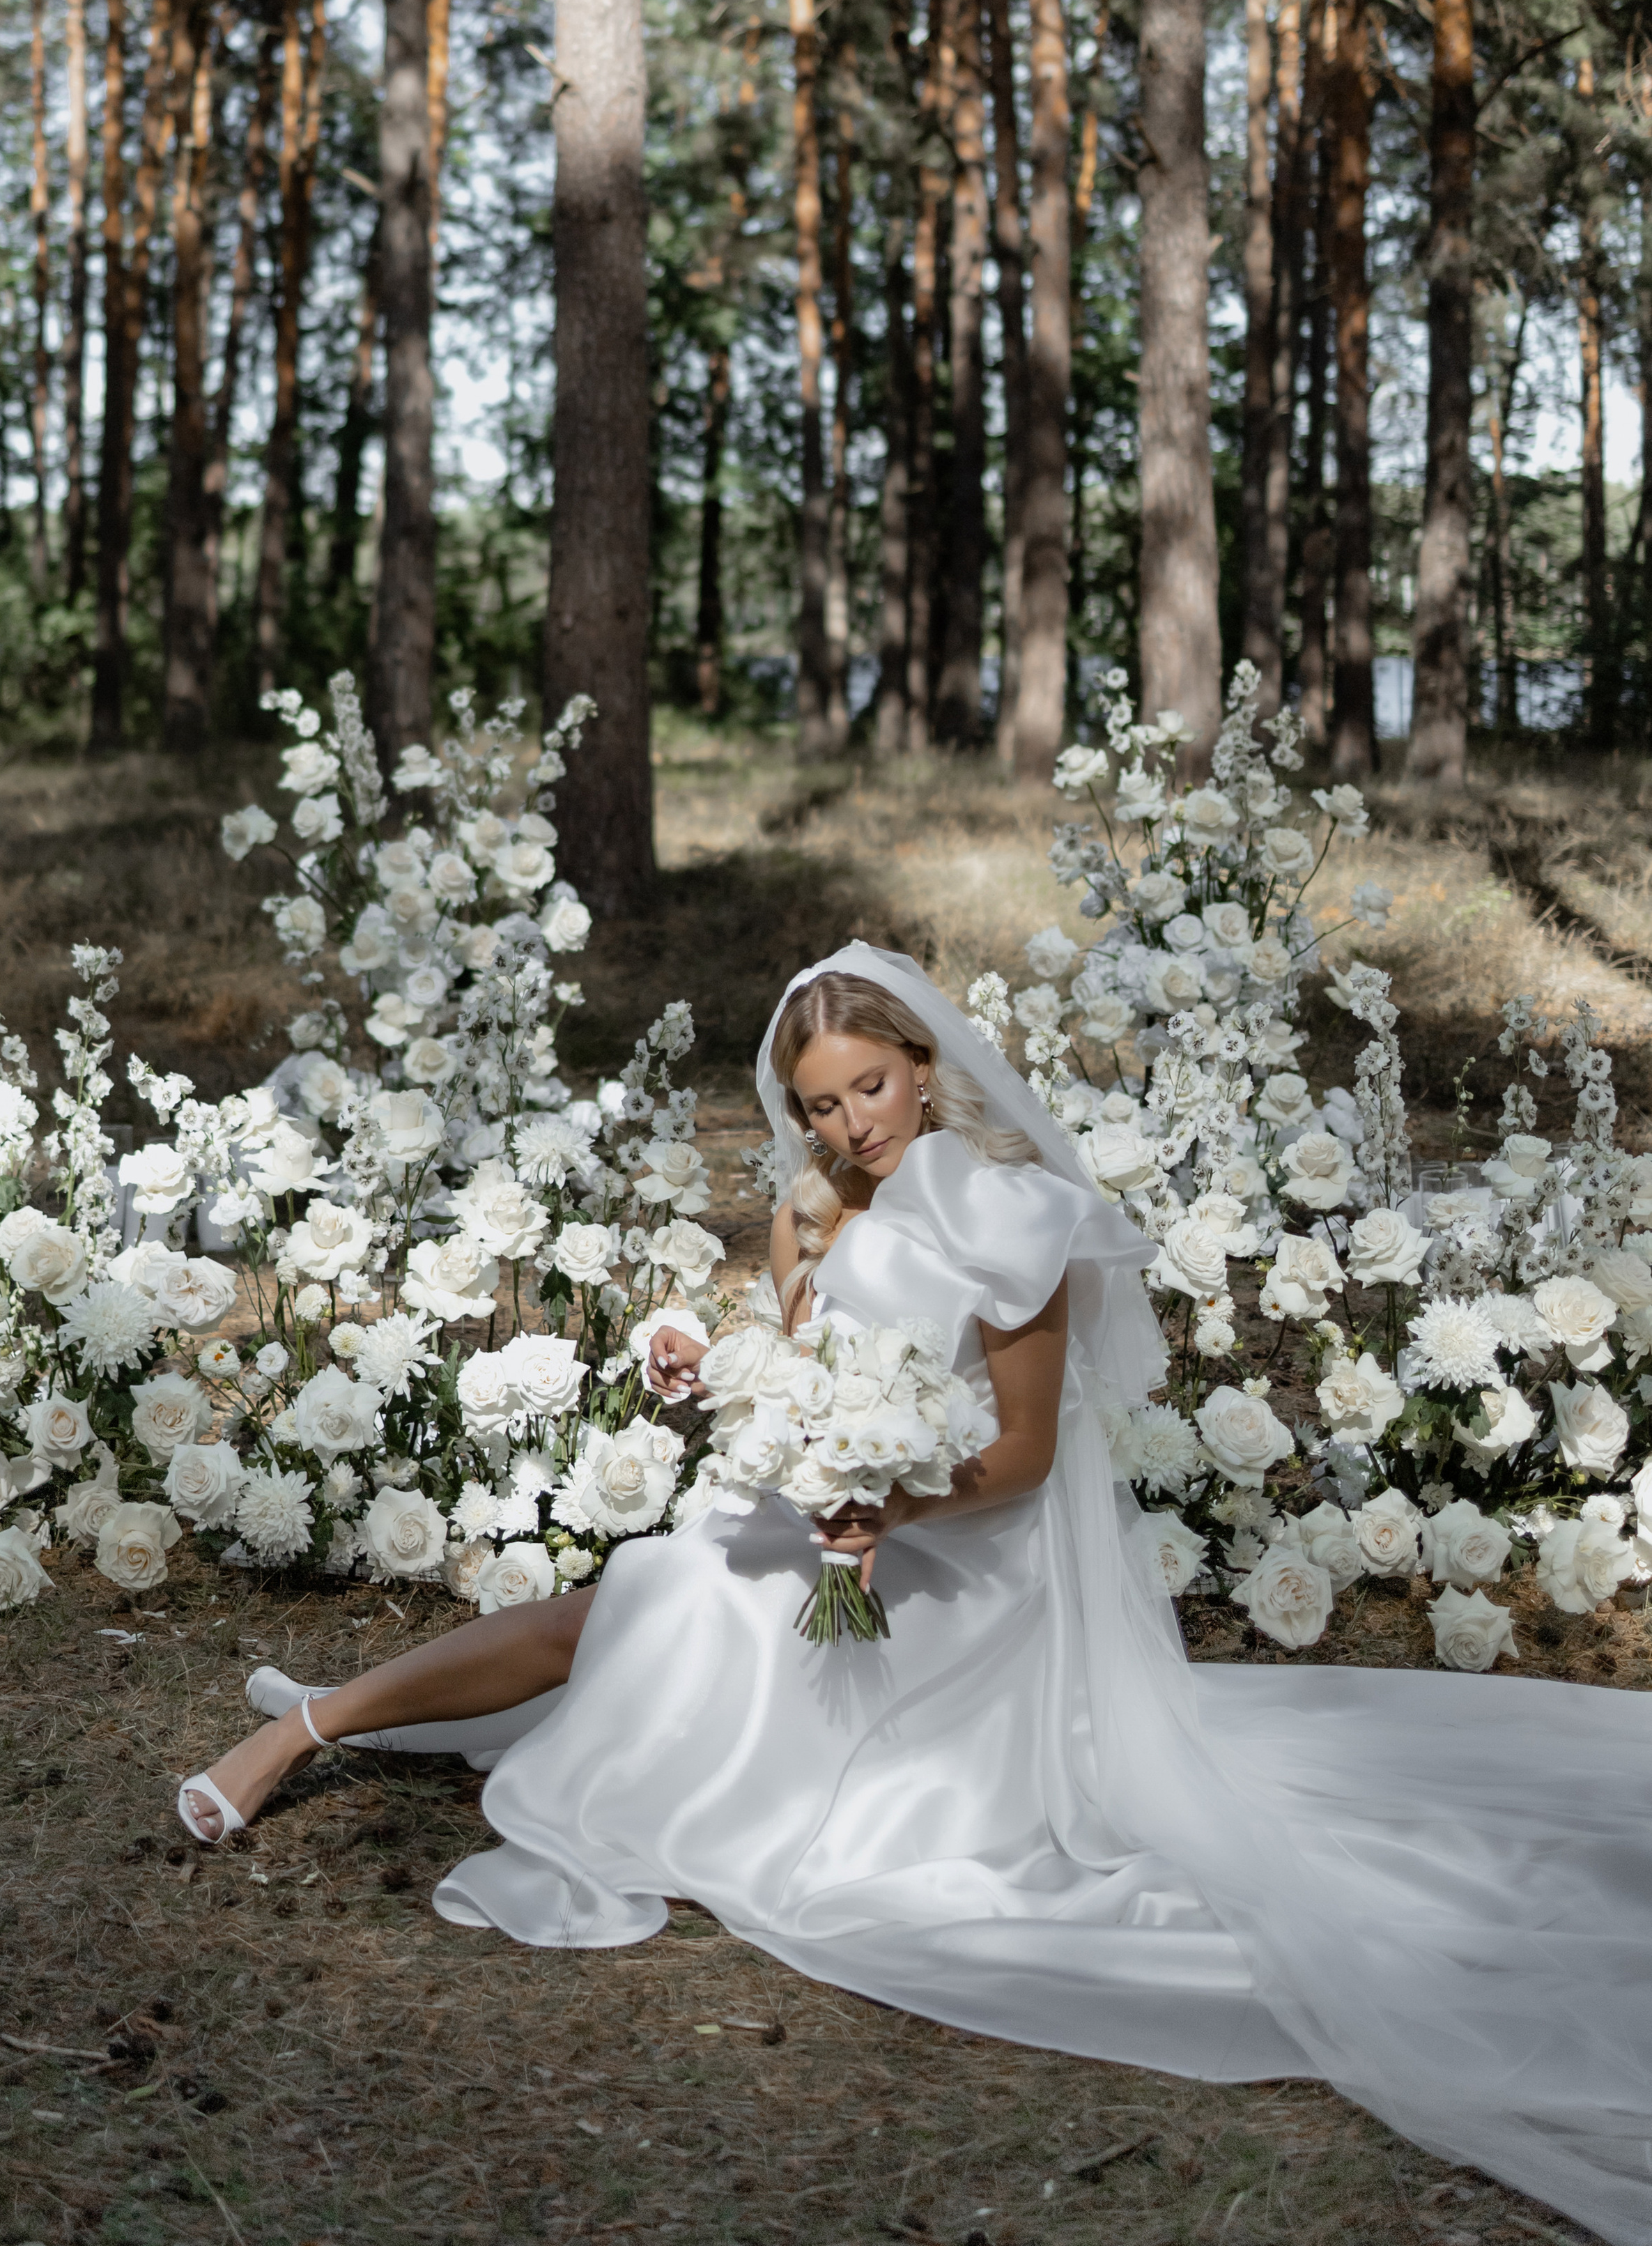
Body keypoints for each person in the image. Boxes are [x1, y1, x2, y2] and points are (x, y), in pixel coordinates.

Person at [177, 943, 1652, 2246]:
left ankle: (333, 1728)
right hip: (819, 1523)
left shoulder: (1019, 1222)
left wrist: (881, 1501)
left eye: (867, 1089)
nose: (845, 1126)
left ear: (925, 1063)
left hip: (964, 1569)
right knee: (652, 1591)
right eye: (819, 1103)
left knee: (658, 1602)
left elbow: (1012, 1458)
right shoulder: (809, 1206)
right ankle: (304, 1730)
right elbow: (795, 1376)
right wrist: (715, 1369)